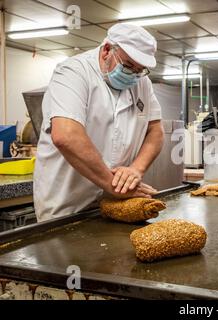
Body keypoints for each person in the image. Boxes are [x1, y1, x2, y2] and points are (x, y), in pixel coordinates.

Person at [34, 23, 164, 222]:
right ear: (106, 50)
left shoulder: (142, 83)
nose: (133, 75)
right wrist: (114, 185)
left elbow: (155, 131)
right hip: (67, 206)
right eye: (128, 66)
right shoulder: (73, 71)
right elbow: (66, 136)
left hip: (116, 204)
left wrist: (136, 170)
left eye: (140, 70)